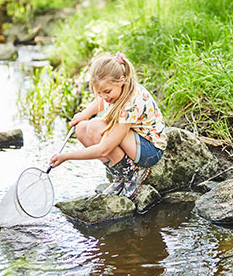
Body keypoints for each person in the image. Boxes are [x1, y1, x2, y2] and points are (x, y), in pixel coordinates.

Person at [51, 53, 166, 200]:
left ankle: (133, 173)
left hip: (150, 149)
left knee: (96, 126)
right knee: (81, 129)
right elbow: (101, 101)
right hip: (135, 140)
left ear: (121, 80)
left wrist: (66, 156)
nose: (104, 96)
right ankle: (120, 174)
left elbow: (104, 148)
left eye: (107, 92)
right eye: (99, 92)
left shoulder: (130, 103)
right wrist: (83, 115)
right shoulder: (117, 89)